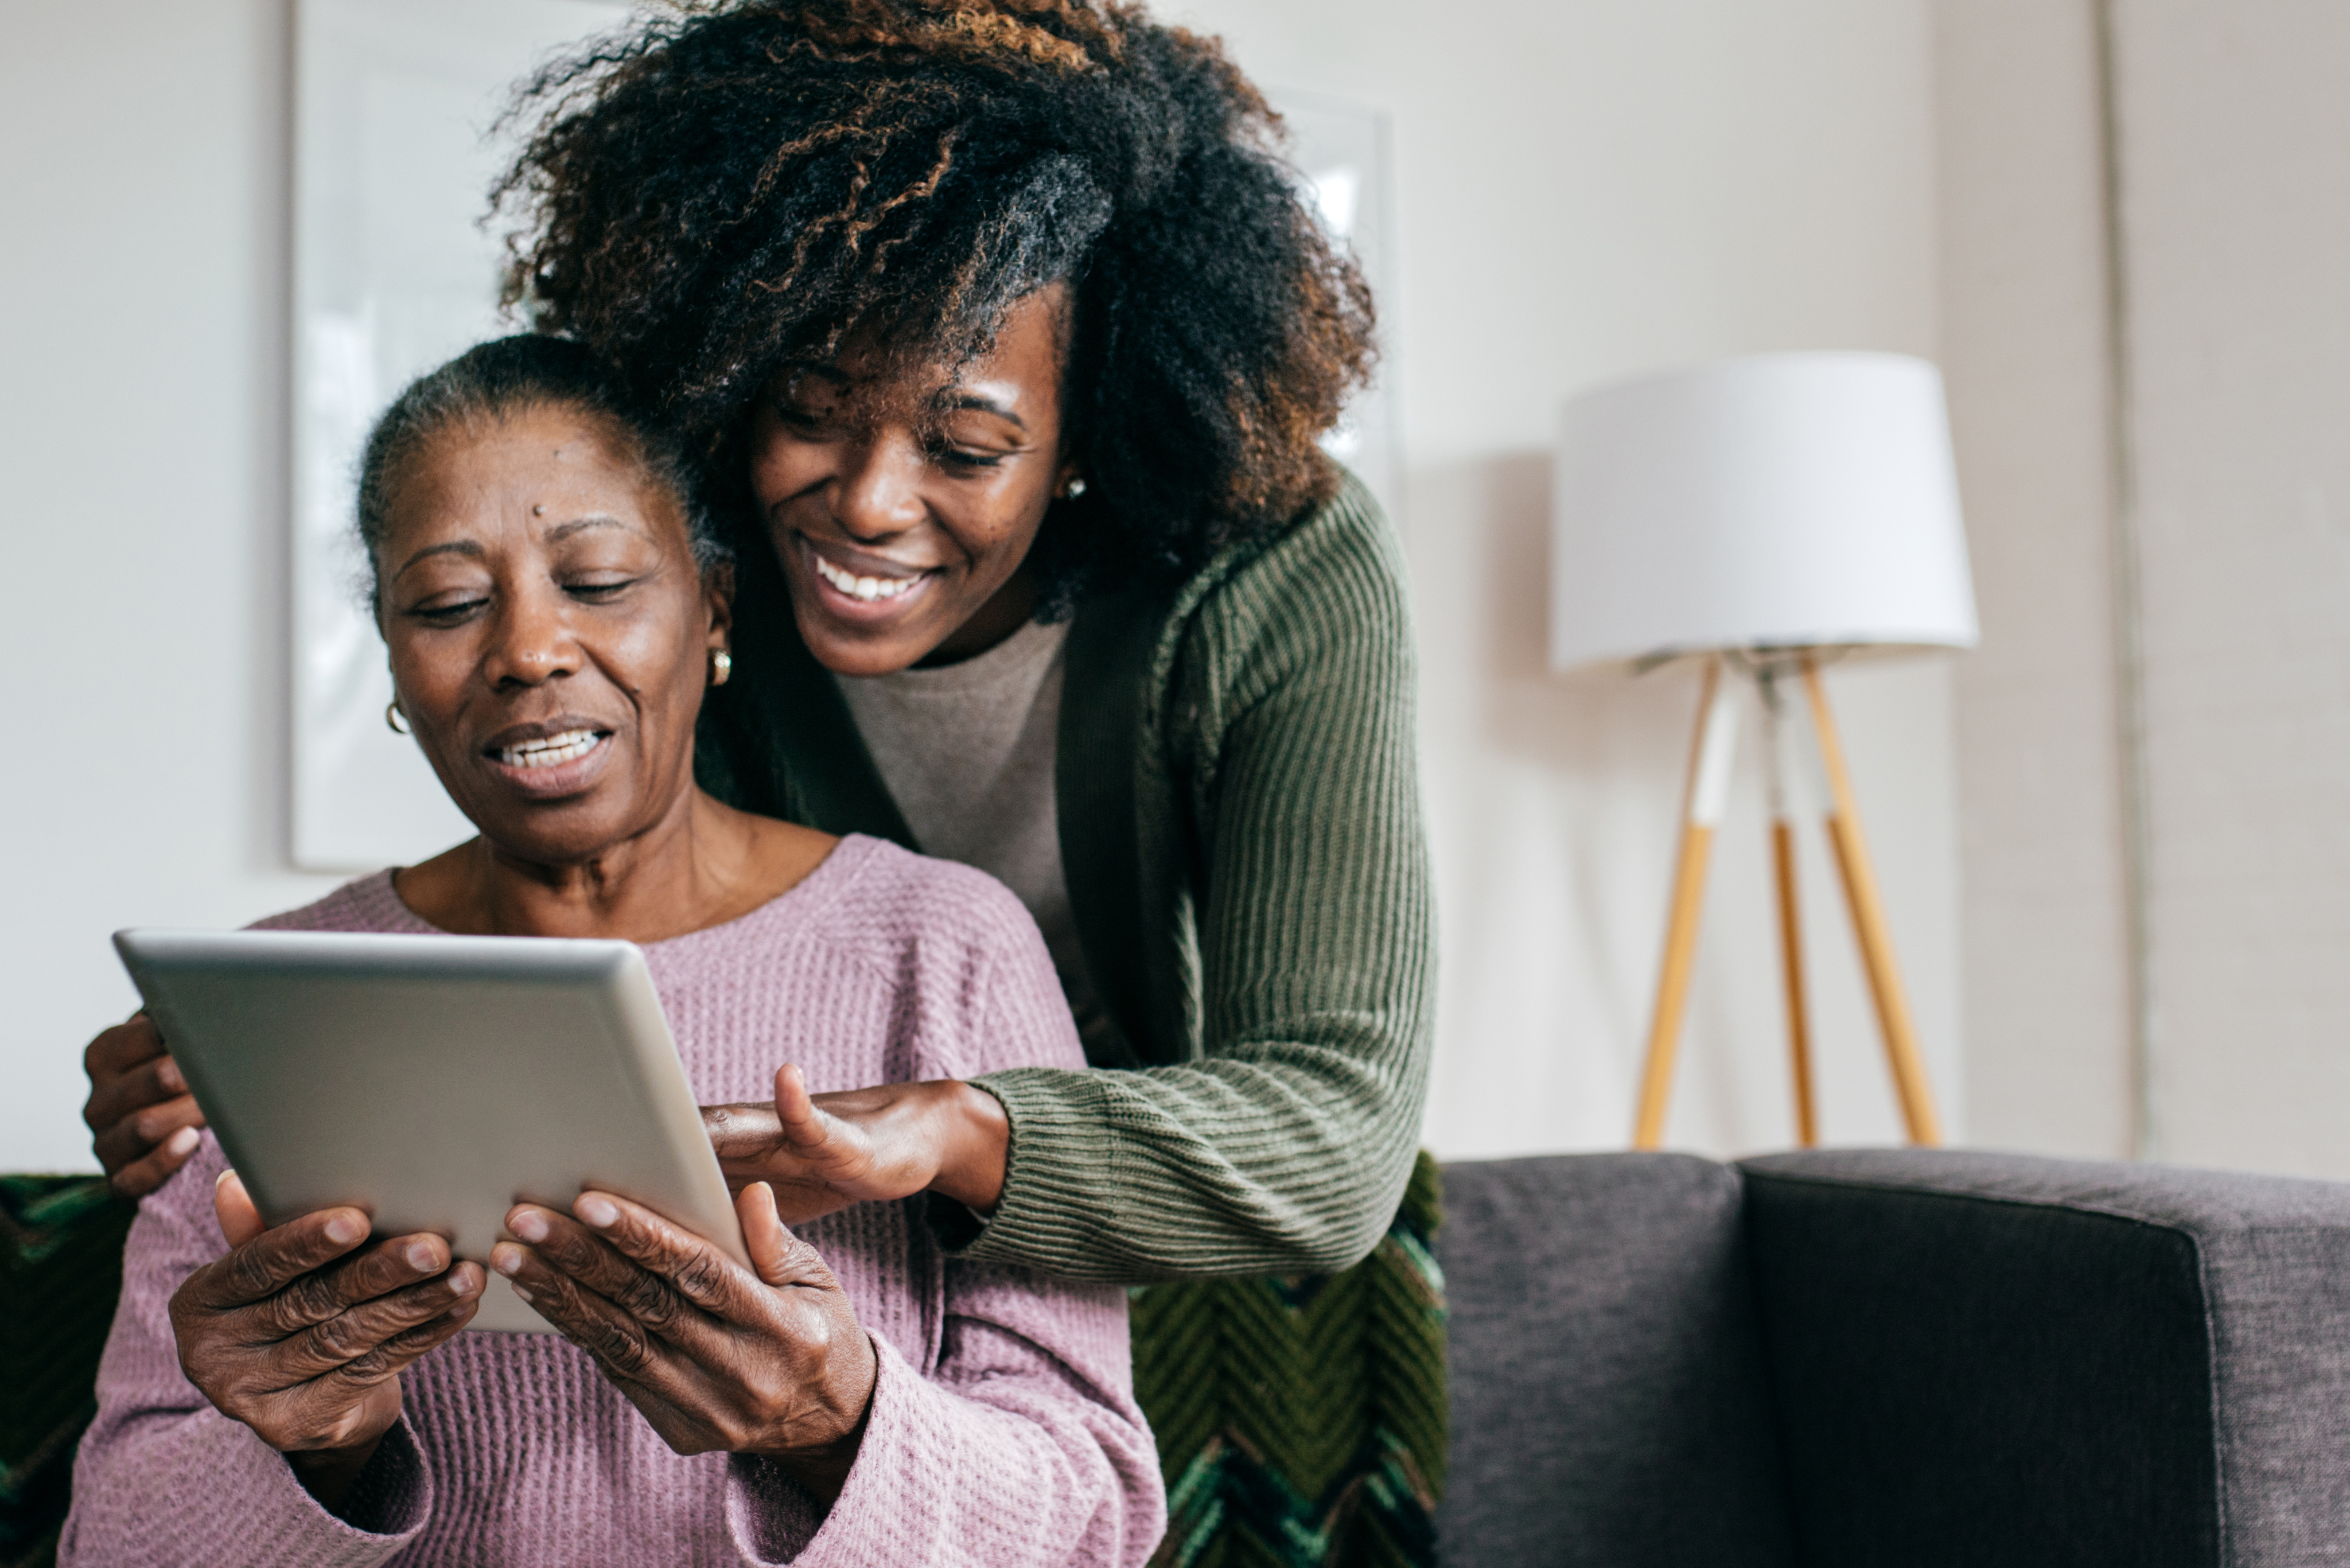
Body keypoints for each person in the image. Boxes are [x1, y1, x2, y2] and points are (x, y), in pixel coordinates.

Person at [85, 0, 1433, 1287]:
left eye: (963, 447)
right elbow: (605, 935)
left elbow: (1335, 1141)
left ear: (1085, 434)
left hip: (1159, 1258)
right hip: (826, 1263)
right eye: (812, 408)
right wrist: (255, 1067)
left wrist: (959, 1132)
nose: (866, 501)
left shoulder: (1274, 569)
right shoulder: (703, 561)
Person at [63, 336, 1161, 1567]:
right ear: (389, 656)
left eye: (595, 580)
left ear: (716, 606)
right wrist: (316, 1453)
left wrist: (833, 1421)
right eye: (446, 604)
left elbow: (1096, 1518)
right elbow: (110, 1540)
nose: (526, 649)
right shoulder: (262, 1000)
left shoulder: (939, 944)